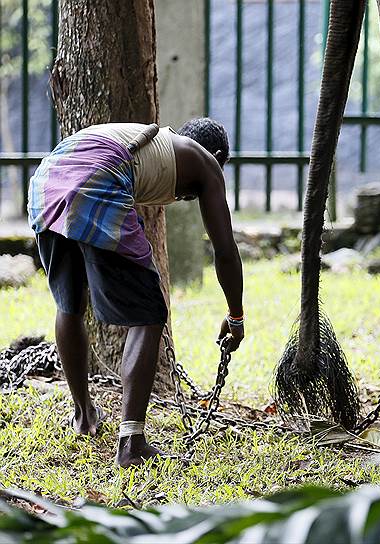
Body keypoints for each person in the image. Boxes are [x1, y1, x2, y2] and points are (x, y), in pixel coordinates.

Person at [27, 118, 244, 467]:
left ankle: (84, 415)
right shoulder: (205, 162)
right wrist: (236, 316)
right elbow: (225, 251)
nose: (187, 199)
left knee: (69, 304)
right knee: (149, 312)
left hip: (47, 182)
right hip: (97, 178)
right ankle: (131, 442)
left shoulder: (158, 143)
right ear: (217, 156)